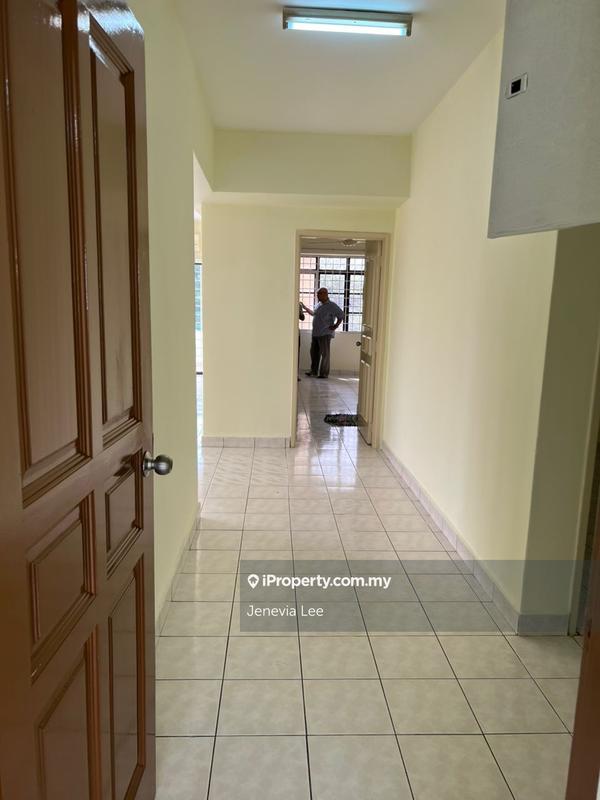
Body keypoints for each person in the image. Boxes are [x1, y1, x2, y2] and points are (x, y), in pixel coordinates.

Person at [301, 288, 344, 379]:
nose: (317, 296)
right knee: (314, 353)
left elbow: (341, 315)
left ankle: (324, 374)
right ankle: (313, 371)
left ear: (325, 294)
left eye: (319, 294)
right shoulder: (319, 305)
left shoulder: (332, 305)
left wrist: (336, 326)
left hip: (325, 333)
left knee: (325, 355)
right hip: (316, 333)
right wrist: (305, 308)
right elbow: (314, 314)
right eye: (317, 294)